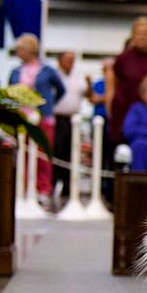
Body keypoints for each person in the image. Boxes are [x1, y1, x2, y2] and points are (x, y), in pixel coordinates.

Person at [9, 33, 64, 200]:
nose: (17, 52)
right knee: (23, 154)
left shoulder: (47, 71)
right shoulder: (15, 72)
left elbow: (61, 89)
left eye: (20, 49)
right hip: (21, 118)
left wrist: (49, 104)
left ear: (29, 50)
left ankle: (43, 189)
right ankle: (23, 187)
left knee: (43, 155)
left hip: (43, 117)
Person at [107, 16, 147, 146]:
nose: (141, 37)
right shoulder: (122, 59)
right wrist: (109, 109)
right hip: (123, 112)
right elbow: (112, 87)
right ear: (133, 36)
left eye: (145, 34)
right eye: (138, 34)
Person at [52, 50, 91, 199]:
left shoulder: (78, 76)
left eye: (73, 60)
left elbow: (87, 95)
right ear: (60, 60)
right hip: (58, 118)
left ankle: (68, 186)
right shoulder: (54, 75)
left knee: (71, 152)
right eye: (68, 60)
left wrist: (89, 84)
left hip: (73, 120)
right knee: (57, 151)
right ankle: (54, 183)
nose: (71, 63)